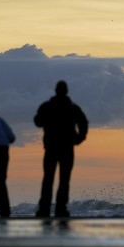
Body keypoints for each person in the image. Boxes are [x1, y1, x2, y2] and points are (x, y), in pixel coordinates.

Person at [34, 80, 88, 217]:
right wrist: (78, 139)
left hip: (52, 147)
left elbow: (37, 121)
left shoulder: (47, 106)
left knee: (49, 178)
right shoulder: (72, 108)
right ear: (66, 91)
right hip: (66, 148)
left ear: (56, 90)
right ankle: (60, 208)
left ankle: (44, 208)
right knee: (64, 179)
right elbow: (83, 123)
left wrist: (48, 123)